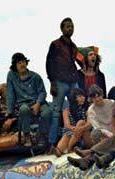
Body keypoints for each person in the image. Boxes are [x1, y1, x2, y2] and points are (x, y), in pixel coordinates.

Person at [46, 17, 83, 152]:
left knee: (79, 107)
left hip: (72, 81)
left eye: (72, 26)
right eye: (67, 26)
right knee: (56, 112)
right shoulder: (55, 44)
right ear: (62, 29)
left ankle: (78, 140)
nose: (70, 29)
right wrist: (52, 82)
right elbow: (49, 63)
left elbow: (79, 60)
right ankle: (51, 144)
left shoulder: (73, 47)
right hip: (60, 81)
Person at [6, 52, 52, 149]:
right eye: (19, 63)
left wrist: (38, 104)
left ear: (26, 63)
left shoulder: (35, 76)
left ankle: (41, 136)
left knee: (47, 112)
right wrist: (9, 112)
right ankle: (27, 136)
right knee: (24, 109)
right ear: (15, 66)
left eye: (23, 62)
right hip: (22, 104)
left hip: (37, 102)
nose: (22, 65)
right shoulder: (11, 76)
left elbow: (42, 92)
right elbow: (10, 94)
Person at [56, 88, 91, 154]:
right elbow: (67, 125)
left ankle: (69, 148)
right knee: (60, 146)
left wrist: (79, 128)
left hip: (85, 132)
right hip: (72, 132)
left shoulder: (88, 108)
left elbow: (89, 123)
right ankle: (60, 150)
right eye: (80, 96)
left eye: (83, 96)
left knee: (81, 122)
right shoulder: (67, 110)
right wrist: (75, 129)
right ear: (74, 98)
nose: (83, 98)